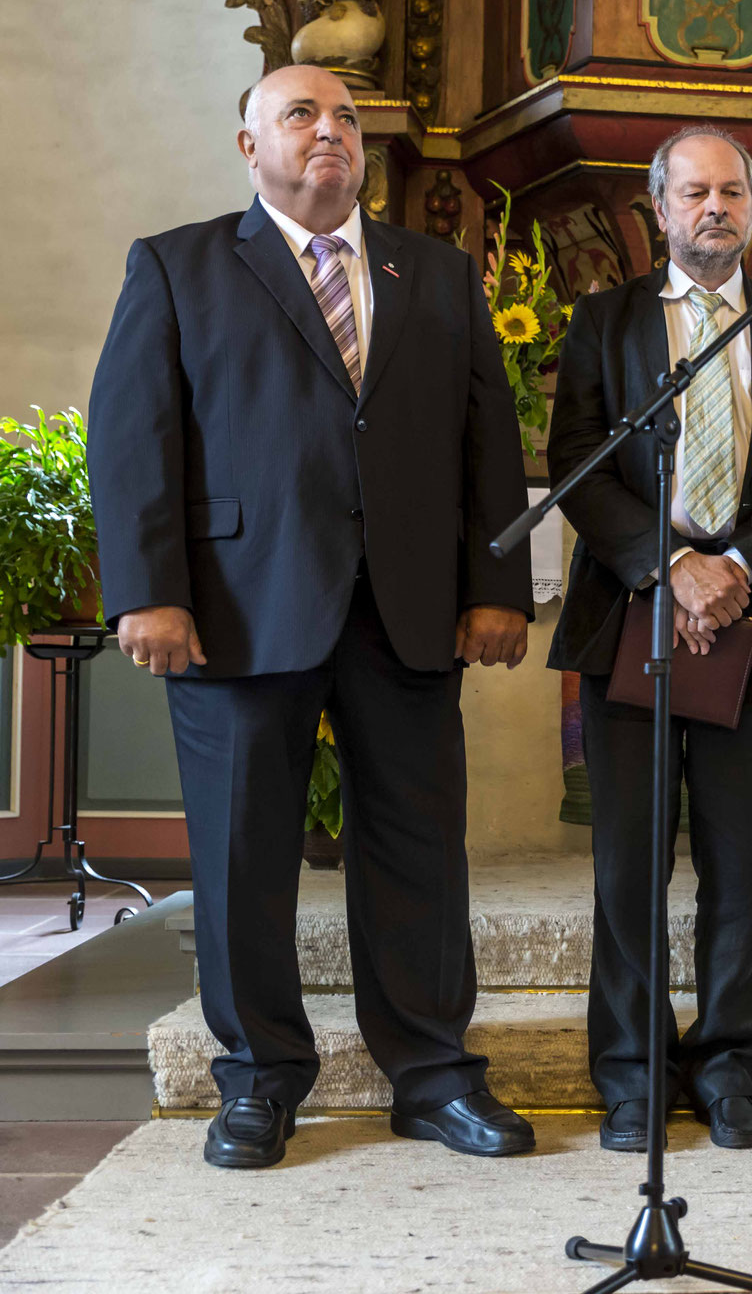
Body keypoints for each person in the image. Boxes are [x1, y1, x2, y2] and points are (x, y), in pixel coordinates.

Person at [87, 65, 536, 1169]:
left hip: (410, 605)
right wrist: (149, 588)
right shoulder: (179, 264)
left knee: (419, 848)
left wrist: (495, 584)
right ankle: (260, 1077)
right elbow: (132, 437)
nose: (329, 131)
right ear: (250, 146)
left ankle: (432, 1074)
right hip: (238, 609)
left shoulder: (433, 272)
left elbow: (488, 438)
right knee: (245, 853)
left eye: (345, 118)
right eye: (301, 114)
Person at [548, 127, 752, 1152]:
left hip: (751, 626)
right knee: (629, 866)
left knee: (740, 867)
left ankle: (728, 1066)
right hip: (631, 616)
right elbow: (577, 464)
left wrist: (736, 567)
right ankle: (632, 1073)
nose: (714, 208)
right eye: (694, 192)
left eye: (732, 192)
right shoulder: (605, 321)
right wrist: (665, 562)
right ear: (659, 209)